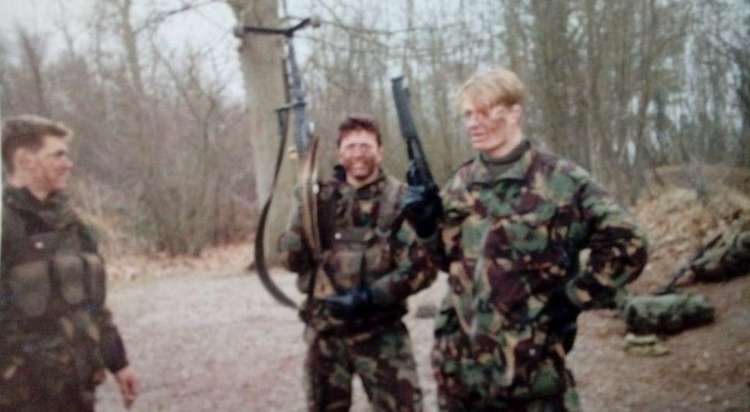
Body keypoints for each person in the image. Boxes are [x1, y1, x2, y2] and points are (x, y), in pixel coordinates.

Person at [429, 68, 649, 411]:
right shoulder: (460, 183)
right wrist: (426, 228)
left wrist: (575, 295)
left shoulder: (560, 180)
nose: (473, 123)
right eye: (468, 114)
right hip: (462, 374)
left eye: (485, 112)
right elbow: (448, 260)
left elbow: (628, 242)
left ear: (515, 111)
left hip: (532, 376)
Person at [279, 113, 437, 412]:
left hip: (382, 334)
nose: (358, 154)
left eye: (366, 146)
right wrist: (300, 213)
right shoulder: (319, 199)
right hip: (326, 333)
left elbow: (422, 268)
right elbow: (292, 262)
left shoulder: (400, 198)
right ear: (340, 153)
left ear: (380, 150)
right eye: (351, 147)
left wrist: (371, 296)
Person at [1, 115, 139, 411]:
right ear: (25, 159)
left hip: (77, 389)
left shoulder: (74, 225)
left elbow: (94, 306)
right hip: (19, 396)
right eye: (58, 154)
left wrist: (119, 363)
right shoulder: (4, 225)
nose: (68, 163)